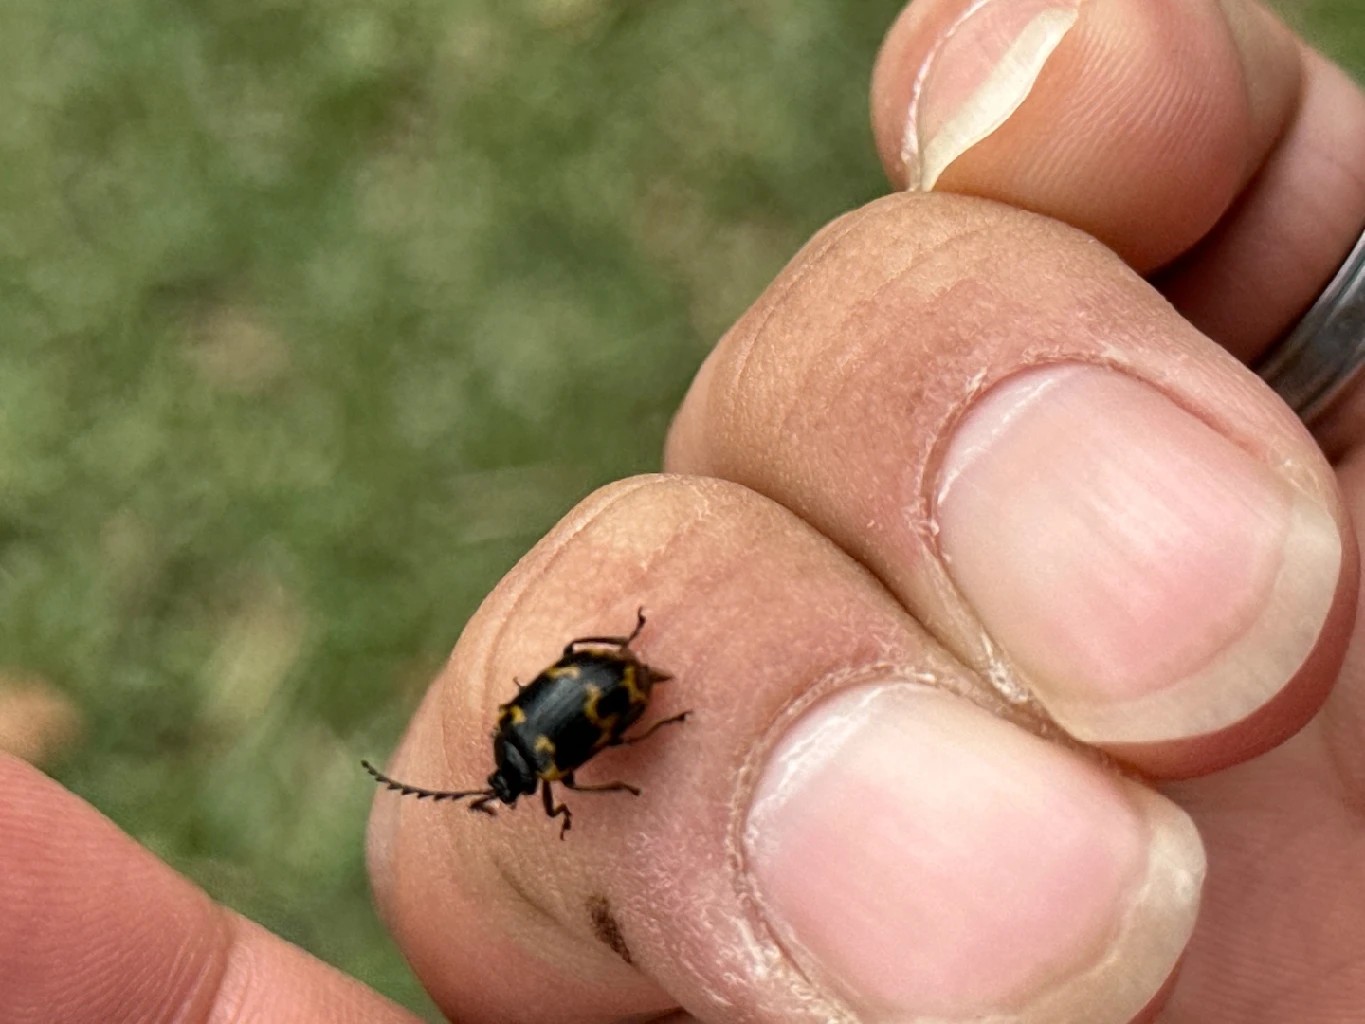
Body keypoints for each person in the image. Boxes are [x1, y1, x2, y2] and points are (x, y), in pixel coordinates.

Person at [4, 1, 1363, 1021]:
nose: (518, 786)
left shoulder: (543, 753)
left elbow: (591, 701)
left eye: (515, 779)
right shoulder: (540, 748)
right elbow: (585, 701)